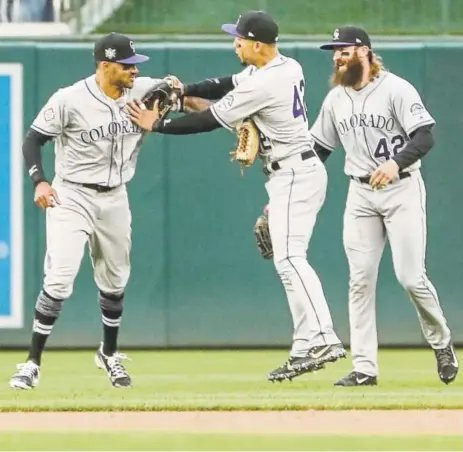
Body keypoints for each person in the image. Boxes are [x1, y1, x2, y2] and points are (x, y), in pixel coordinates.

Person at [126, 11, 347, 382]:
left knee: (290, 259)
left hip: (294, 172)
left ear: (257, 44)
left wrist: (159, 124)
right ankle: (305, 345)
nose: (235, 44)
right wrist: (183, 92)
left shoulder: (263, 84)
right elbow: (223, 83)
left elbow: (209, 119)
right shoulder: (284, 66)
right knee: (288, 261)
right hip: (291, 174)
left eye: (240, 39)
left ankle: (324, 337)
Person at [10, 32, 162, 390]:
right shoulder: (70, 98)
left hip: (115, 195)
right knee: (60, 278)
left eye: (135, 65)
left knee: (115, 280)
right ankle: (32, 362)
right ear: (105, 65)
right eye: (127, 66)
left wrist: (190, 94)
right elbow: (33, 139)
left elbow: (185, 92)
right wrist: (40, 182)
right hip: (72, 193)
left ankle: (109, 355)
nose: (134, 72)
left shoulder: (142, 90)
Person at [310, 26, 459, 386]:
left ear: (364, 52)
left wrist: (396, 163)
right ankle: (364, 368)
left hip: (401, 190)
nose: (337, 57)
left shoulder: (396, 89)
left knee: (411, 277)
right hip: (359, 194)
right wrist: (289, 185)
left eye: (344, 50)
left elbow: (424, 135)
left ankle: (441, 343)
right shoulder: (336, 99)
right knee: (359, 281)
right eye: (335, 51)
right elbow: (319, 150)